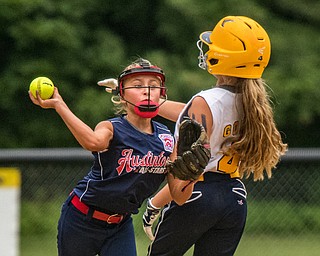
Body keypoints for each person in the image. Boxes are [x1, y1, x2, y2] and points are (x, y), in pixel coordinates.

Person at [142, 16, 288, 256]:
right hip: (234, 197)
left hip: (198, 194)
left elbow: (180, 188)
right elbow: (193, 113)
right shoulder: (252, 103)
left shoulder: (204, 102)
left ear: (222, 58)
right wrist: (151, 102)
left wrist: (158, 201)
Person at [28, 58, 200, 256]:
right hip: (81, 218)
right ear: (121, 94)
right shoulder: (112, 127)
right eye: (137, 85)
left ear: (161, 94)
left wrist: (191, 174)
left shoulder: (167, 139)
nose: (147, 90)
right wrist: (60, 105)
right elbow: (92, 142)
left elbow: (179, 196)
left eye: (153, 86)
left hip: (120, 225)